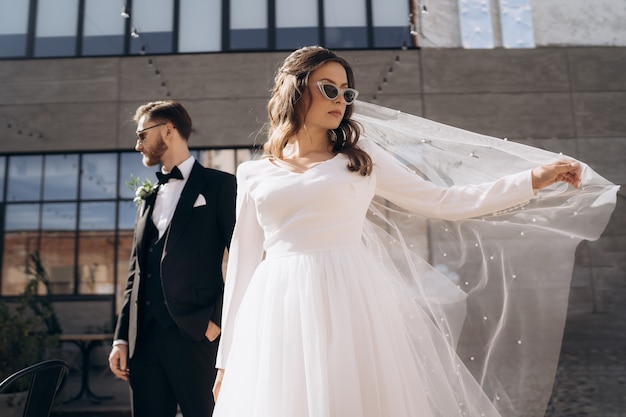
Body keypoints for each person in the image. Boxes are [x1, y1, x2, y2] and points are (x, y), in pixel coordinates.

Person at [212, 46, 617, 417]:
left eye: (346, 93)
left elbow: (445, 201)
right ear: (296, 89)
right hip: (277, 309)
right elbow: (244, 266)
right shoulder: (252, 173)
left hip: (351, 301)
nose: (341, 100)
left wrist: (531, 179)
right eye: (329, 89)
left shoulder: (360, 159)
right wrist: (227, 361)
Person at [108, 100, 236, 417]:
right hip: (144, 342)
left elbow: (242, 258)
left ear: (168, 130)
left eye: (142, 135)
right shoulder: (147, 197)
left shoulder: (220, 185)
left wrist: (216, 323)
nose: (137, 145)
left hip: (197, 335)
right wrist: (121, 338)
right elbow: (135, 274)